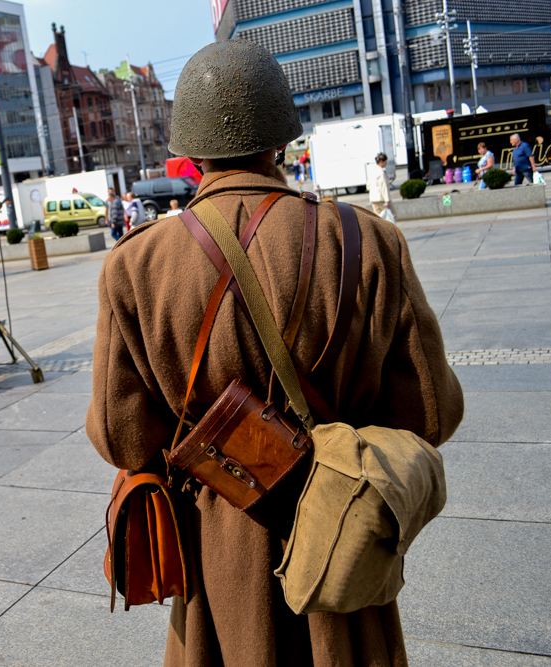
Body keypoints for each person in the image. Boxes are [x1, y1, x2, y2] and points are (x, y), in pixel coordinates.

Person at [86, 38, 463, 666]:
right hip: (342, 539)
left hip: (216, 551)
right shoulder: (370, 240)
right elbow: (430, 413)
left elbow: (120, 437)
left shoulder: (135, 265)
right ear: (284, 139)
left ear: (190, 152)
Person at [367, 152, 395, 219]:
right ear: (381, 161)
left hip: (373, 198)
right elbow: (384, 187)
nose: (386, 163)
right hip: (381, 199)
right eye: (385, 161)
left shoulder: (372, 171)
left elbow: (368, 186)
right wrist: (387, 201)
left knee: (378, 218)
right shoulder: (381, 173)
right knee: (392, 215)